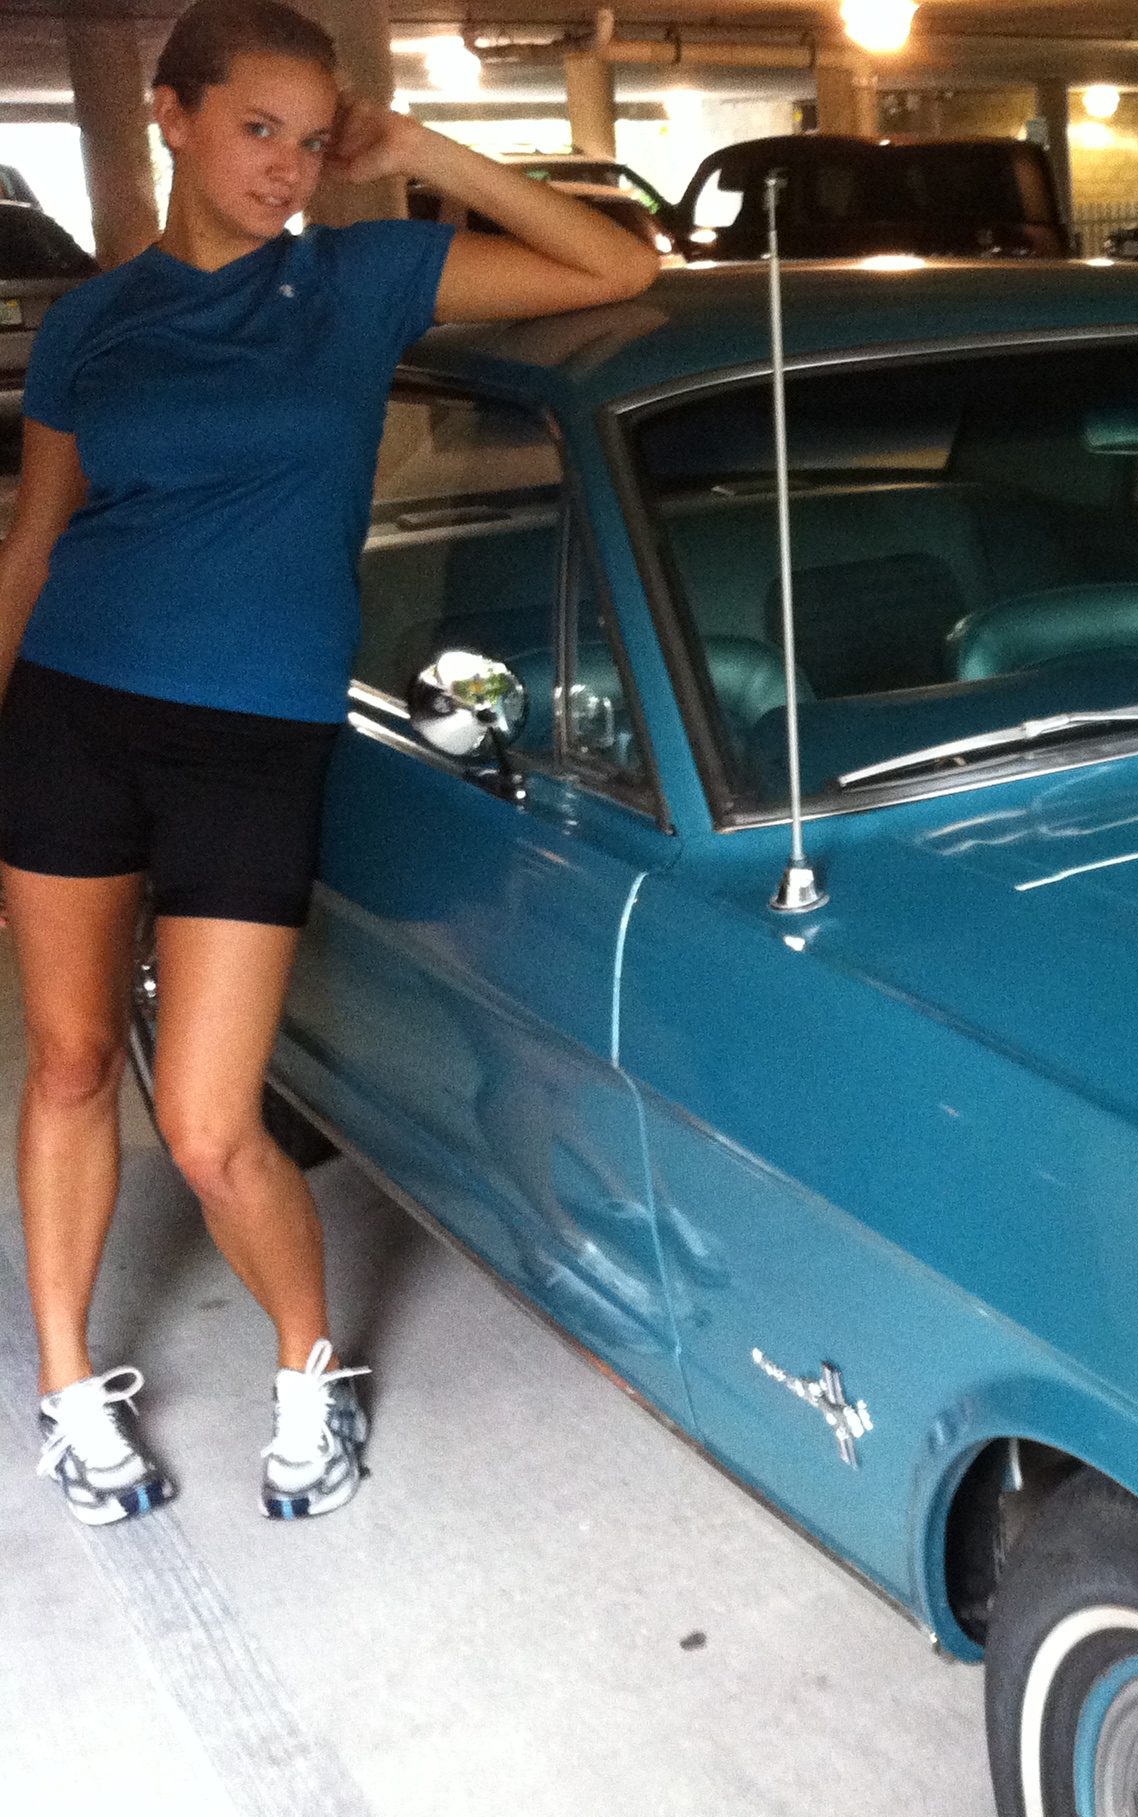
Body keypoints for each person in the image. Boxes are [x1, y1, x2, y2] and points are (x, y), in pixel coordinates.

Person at [0, 0, 658, 1525]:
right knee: (73, 1062)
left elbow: (617, 267)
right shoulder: (95, 321)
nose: (287, 168)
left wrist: (415, 144)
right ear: (170, 114)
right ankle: (68, 1387)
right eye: (257, 130)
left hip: (253, 745)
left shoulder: (358, 282)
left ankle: (310, 1371)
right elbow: (33, 544)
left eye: (309, 140)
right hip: (73, 717)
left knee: (208, 1125)